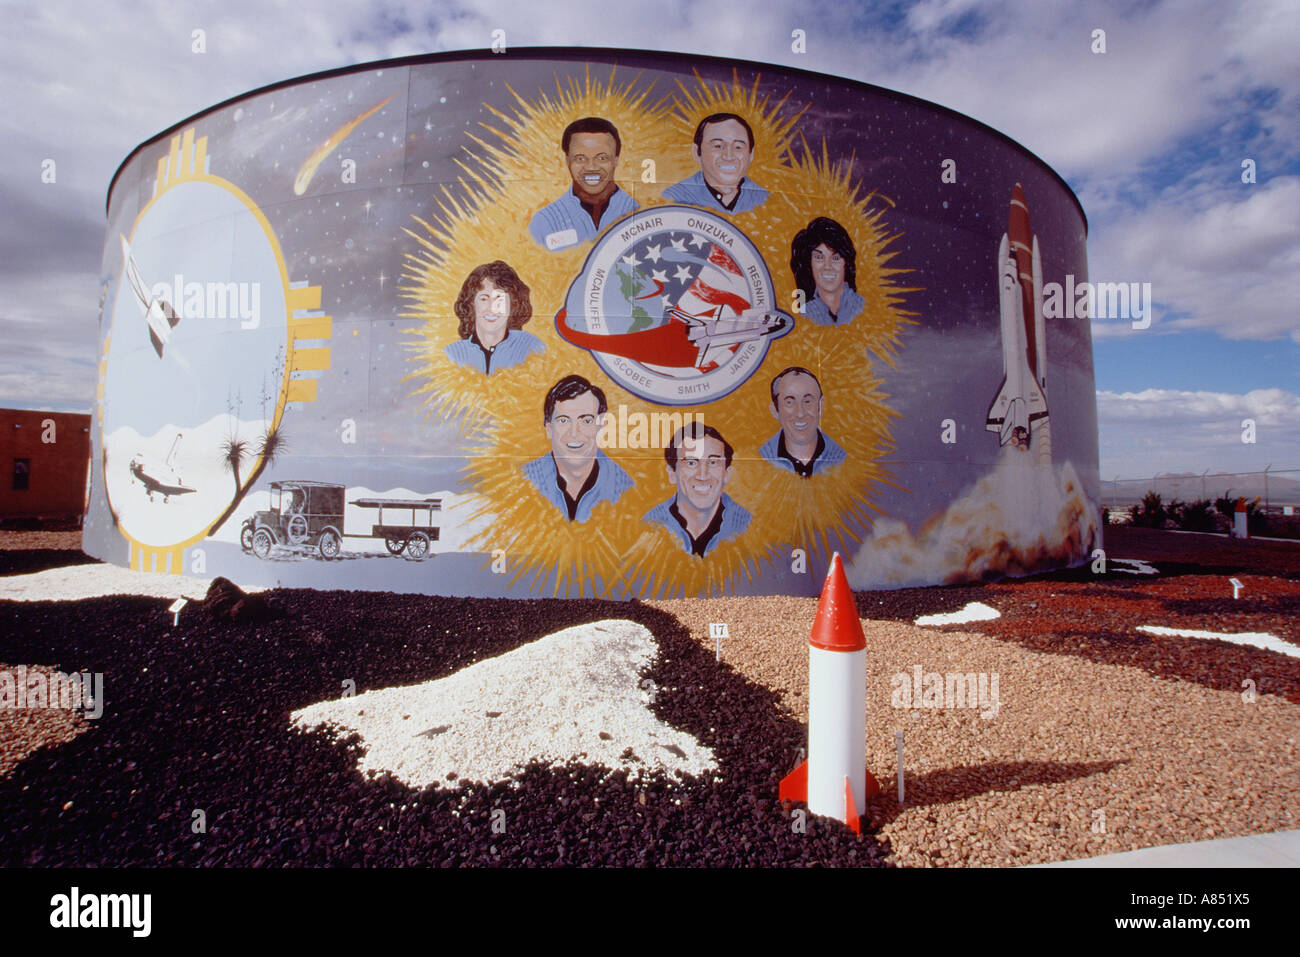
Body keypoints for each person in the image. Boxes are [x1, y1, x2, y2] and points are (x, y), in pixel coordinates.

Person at [522, 375, 633, 522]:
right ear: (549, 428)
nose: (574, 433)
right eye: (564, 420)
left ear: (601, 426)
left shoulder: (625, 489)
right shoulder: (523, 481)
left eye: (586, 420)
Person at [528, 117, 640, 251]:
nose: (591, 167)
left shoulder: (638, 212)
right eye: (580, 158)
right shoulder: (545, 222)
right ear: (567, 160)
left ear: (616, 160)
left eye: (602, 158)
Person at [643, 423, 750, 557]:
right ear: (672, 473)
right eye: (691, 463)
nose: (702, 475)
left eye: (713, 462)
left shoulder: (749, 528)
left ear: (727, 473)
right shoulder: (649, 527)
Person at [443, 262, 544, 375]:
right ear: (471, 304)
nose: (492, 308)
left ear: (513, 304)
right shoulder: (452, 354)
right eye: (484, 299)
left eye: (499, 299)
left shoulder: (532, 348)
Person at [663, 113, 768, 214]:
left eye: (738, 147)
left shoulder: (766, 200)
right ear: (697, 152)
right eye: (718, 146)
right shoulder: (675, 199)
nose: (728, 156)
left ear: (751, 154)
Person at [759, 367, 846, 477]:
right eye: (789, 402)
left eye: (807, 401)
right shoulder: (760, 461)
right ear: (775, 410)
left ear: (821, 405)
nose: (800, 413)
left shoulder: (843, 459)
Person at [789, 217, 865, 325]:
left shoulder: (863, 307)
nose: (828, 266)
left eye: (835, 258)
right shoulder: (804, 315)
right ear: (809, 264)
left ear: (846, 263)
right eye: (819, 257)